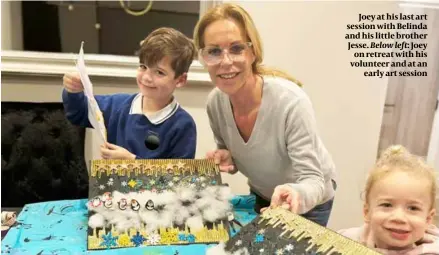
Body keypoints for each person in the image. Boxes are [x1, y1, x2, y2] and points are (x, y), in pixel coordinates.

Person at [193, 3, 337, 227]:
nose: (226, 61)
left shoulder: (291, 102)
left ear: (253, 52)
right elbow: (236, 158)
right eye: (213, 51)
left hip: (309, 203)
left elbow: (313, 181)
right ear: (203, 57)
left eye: (236, 48)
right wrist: (227, 159)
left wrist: (295, 194)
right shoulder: (215, 103)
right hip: (262, 194)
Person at [62, 27, 197, 160]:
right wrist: (73, 91)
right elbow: (78, 113)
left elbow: (180, 179)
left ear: (180, 80)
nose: (146, 78)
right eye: (143, 67)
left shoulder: (183, 125)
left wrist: (132, 163)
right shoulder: (117, 106)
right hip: (111, 182)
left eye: (159, 72)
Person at [338, 145, 439, 255]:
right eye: (387, 205)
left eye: (413, 208)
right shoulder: (342, 241)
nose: (399, 217)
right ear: (367, 212)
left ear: (428, 219)